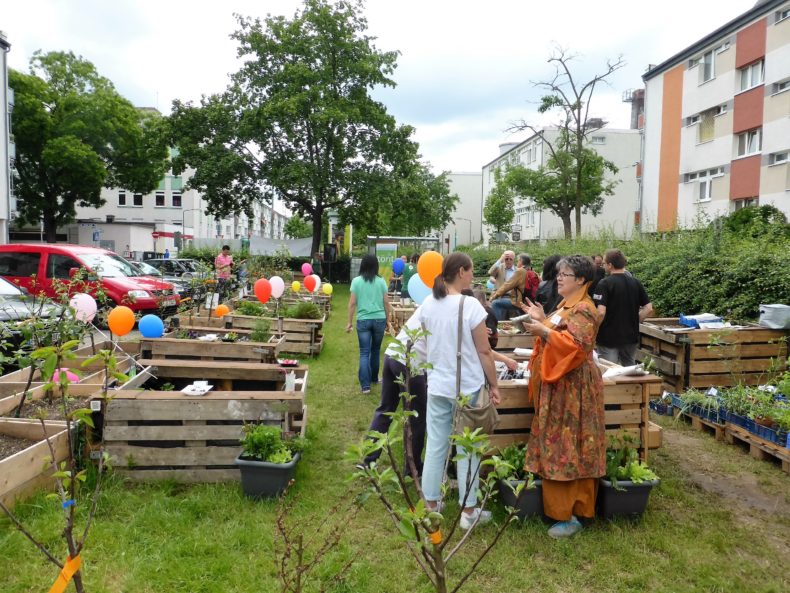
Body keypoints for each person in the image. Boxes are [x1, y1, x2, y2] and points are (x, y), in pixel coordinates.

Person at [519, 255, 605, 538]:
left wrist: (543, 329)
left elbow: (575, 346)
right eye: (559, 273)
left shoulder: (584, 309)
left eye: (565, 274)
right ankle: (561, 511)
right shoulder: (566, 306)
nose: (559, 278)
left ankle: (572, 513)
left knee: (569, 444)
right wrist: (542, 318)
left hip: (573, 391)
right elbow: (558, 332)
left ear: (581, 279)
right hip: (560, 387)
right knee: (559, 442)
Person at [418, 252, 500, 530]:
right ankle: (468, 511)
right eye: (471, 271)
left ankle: (431, 504)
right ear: (462, 272)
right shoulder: (471, 306)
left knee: (436, 445)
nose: (472, 276)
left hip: (438, 384)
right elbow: (484, 351)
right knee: (469, 449)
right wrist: (495, 384)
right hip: (467, 388)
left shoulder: (429, 303)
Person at [362, 310, 427, 474]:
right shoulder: (447, 312)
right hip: (409, 363)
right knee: (416, 417)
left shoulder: (428, 303)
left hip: (392, 355)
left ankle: (368, 460)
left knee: (385, 409)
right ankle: (413, 468)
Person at [592, 249, 654, 366]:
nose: (603, 266)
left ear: (610, 265)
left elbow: (601, 312)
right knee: (629, 372)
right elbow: (649, 308)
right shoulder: (635, 282)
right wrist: (636, 320)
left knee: (610, 371)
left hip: (608, 337)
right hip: (630, 336)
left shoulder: (604, 284)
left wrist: (593, 329)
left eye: (604, 263)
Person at [347, 254, 392, 394]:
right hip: (379, 319)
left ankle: (365, 386)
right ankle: (374, 378)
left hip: (363, 320)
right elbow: (386, 302)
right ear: (376, 266)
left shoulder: (356, 281)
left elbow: (352, 303)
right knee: (376, 350)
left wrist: (349, 322)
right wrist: (388, 320)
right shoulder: (381, 281)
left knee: (364, 352)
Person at [489, 253, 536, 321]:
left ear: (520, 261)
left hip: (519, 301)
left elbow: (507, 285)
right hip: (528, 301)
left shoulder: (520, 271)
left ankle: (497, 326)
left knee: (495, 303)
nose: (508, 261)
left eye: (511, 259)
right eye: (506, 259)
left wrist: (494, 296)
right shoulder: (533, 272)